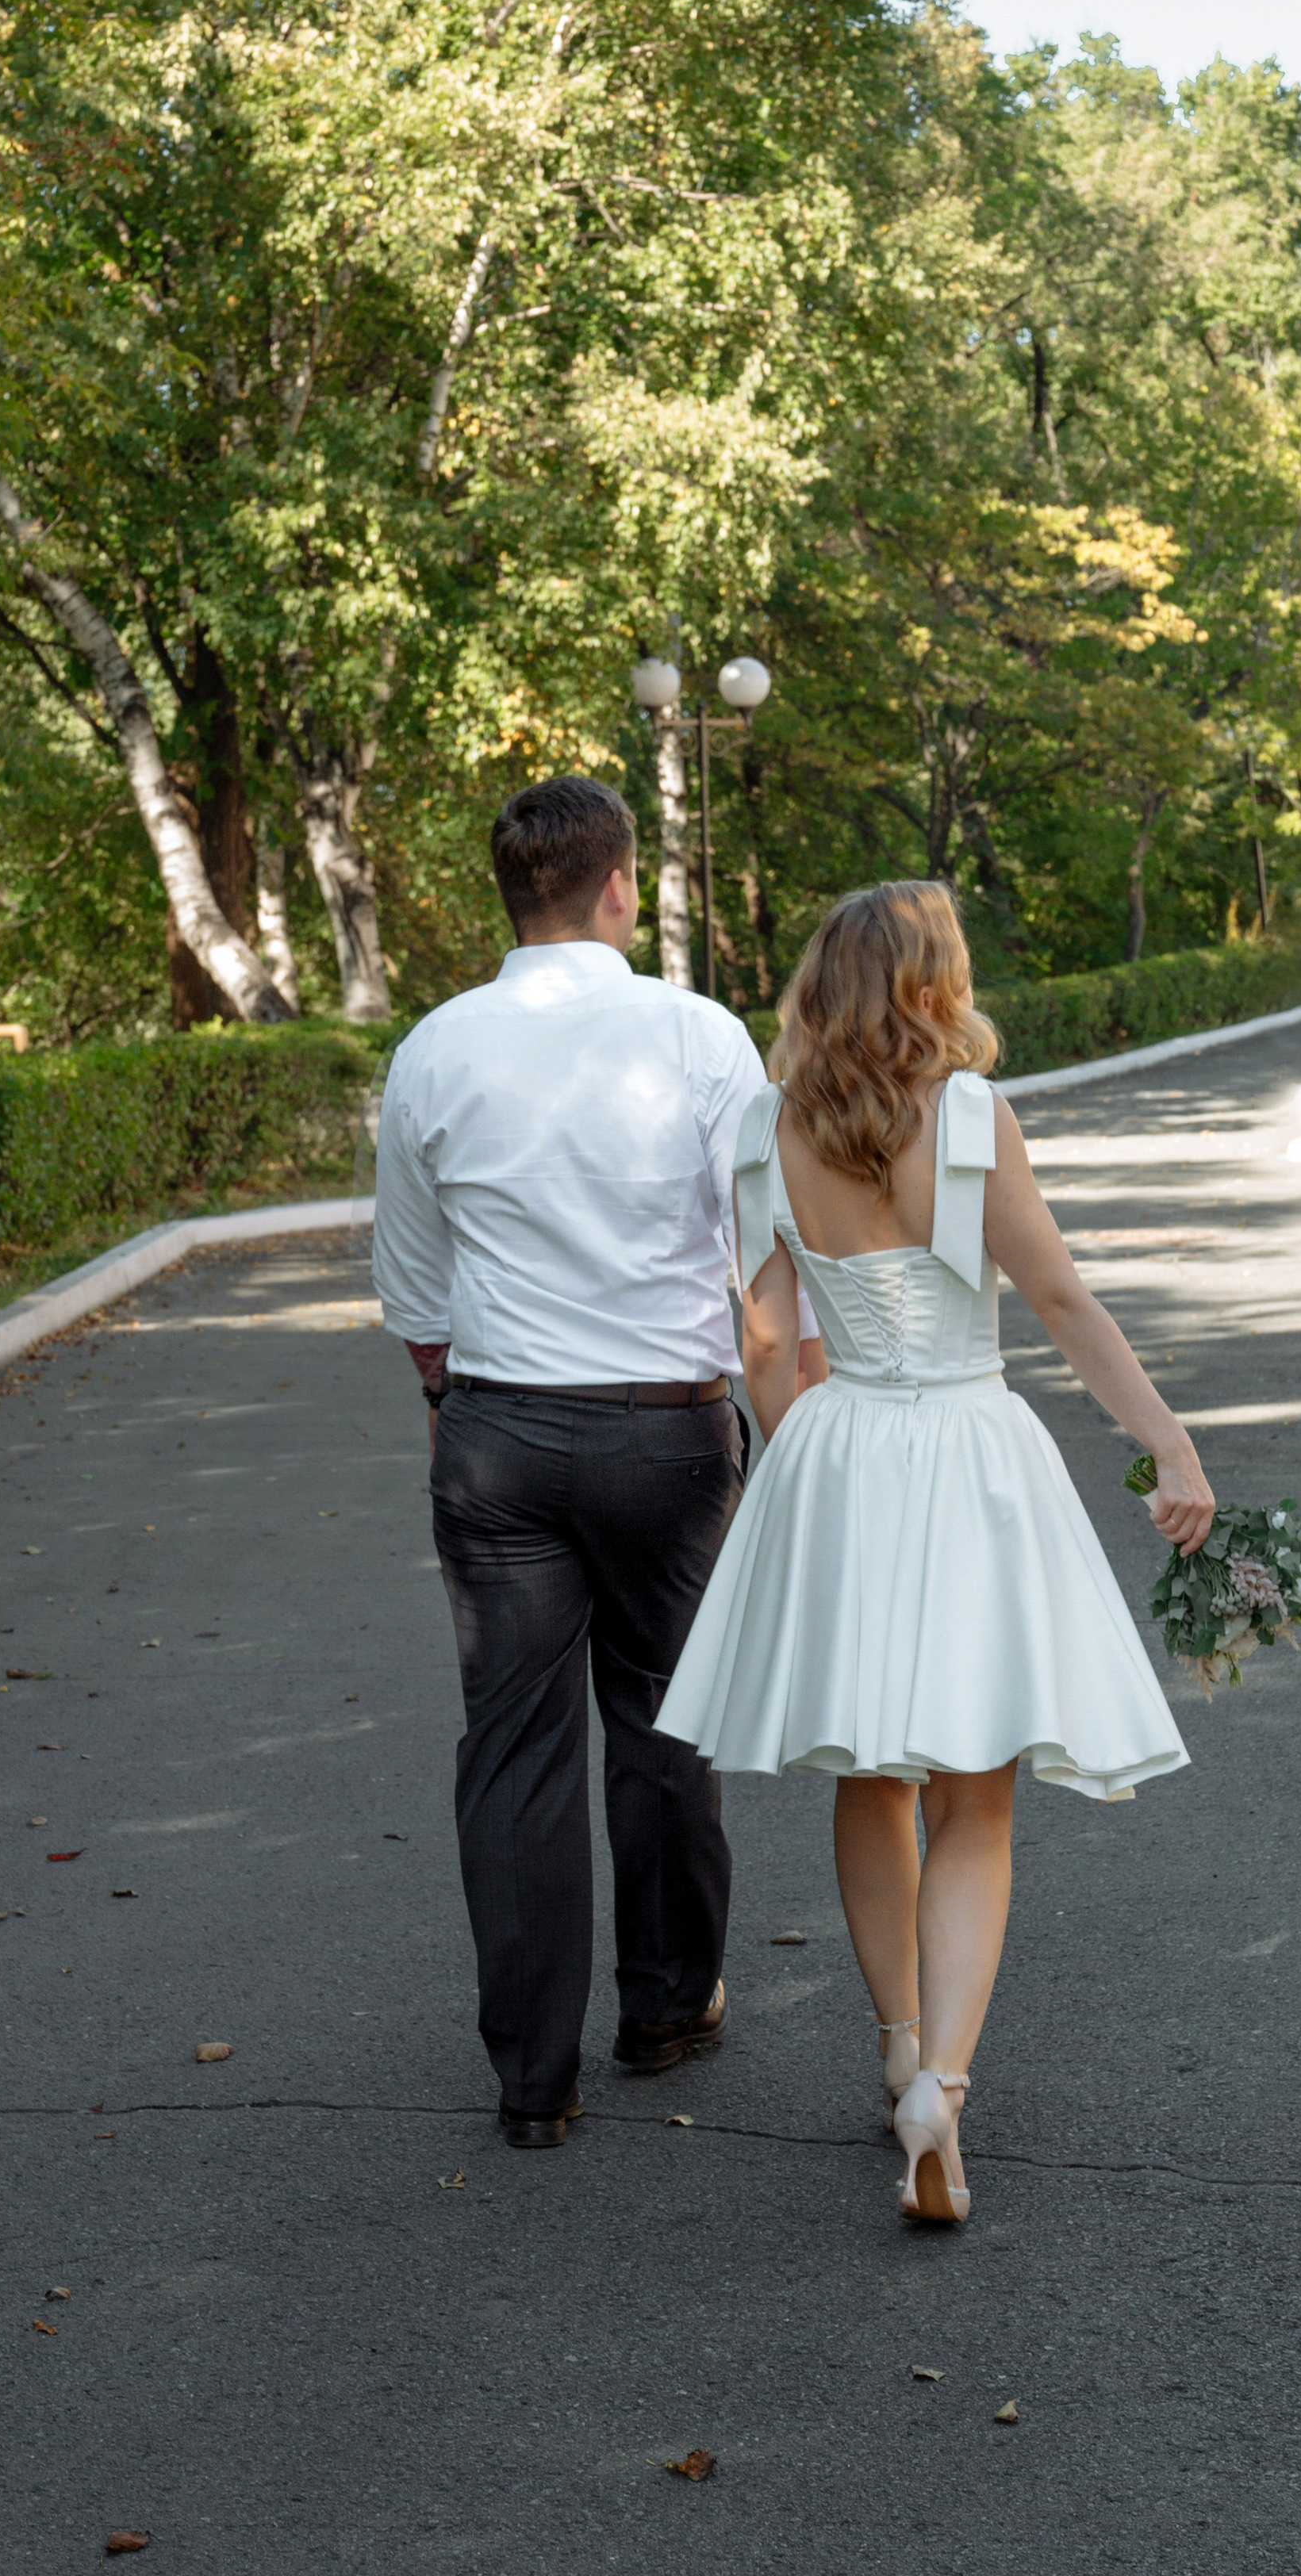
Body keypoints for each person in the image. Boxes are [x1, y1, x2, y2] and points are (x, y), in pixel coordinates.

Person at [655, 879, 1214, 2226]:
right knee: (977, 1790)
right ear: (929, 982)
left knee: (870, 1767)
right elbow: (1061, 1297)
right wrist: (1171, 1447)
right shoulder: (967, 1118)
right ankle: (941, 2095)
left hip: (841, 1453)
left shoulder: (765, 1128)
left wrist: (802, 1445)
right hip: (966, 1449)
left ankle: (899, 2042)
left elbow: (765, 1338)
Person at [371, 774, 811, 2149]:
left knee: (511, 1749)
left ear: (508, 897)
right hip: (665, 1429)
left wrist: (457, 1407)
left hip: (497, 1431)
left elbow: (413, 1283)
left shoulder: (434, 1049)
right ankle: (671, 2007)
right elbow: (761, 1253)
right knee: (666, 1722)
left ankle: (531, 2081)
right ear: (618, 887)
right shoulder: (698, 1035)